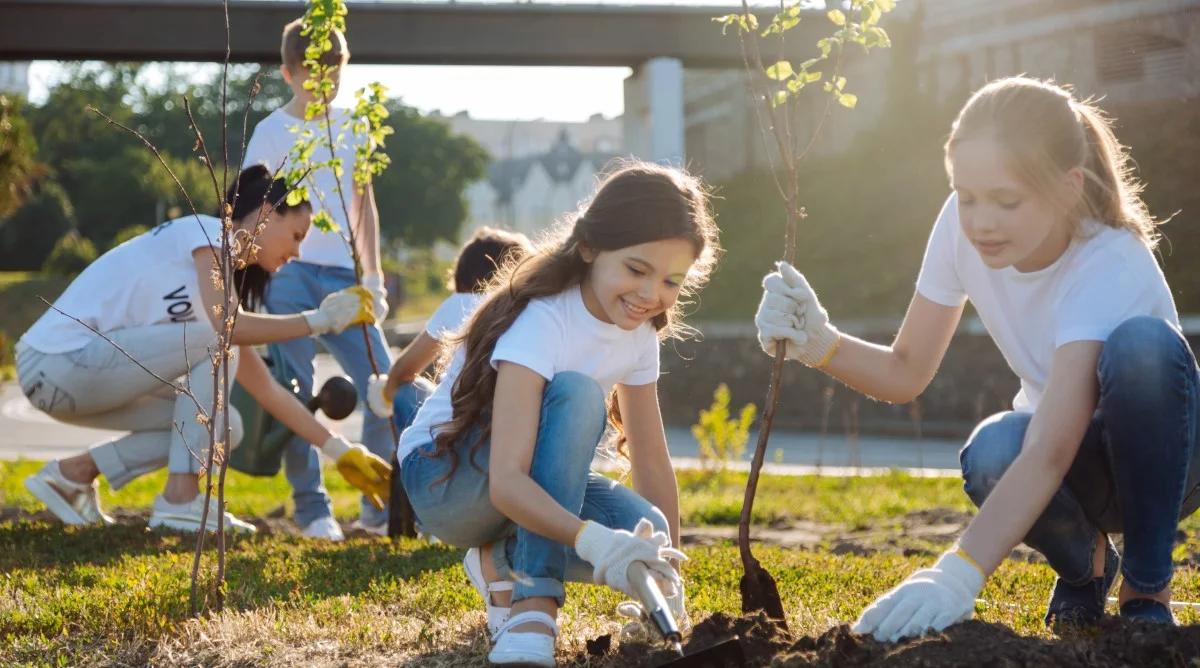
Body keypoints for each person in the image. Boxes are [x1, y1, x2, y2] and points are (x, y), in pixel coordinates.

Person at [755, 76, 1193, 639]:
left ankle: (1147, 586)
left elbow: (1051, 449)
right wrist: (819, 343)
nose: (981, 220)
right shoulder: (960, 229)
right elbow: (906, 371)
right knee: (992, 451)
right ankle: (1087, 568)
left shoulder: (1109, 260)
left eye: (1006, 201)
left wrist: (958, 572)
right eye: (967, 197)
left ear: (1068, 188)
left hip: (1171, 463)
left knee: (1143, 348)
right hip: (1072, 463)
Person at [396, 161, 720, 666]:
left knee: (646, 528)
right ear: (589, 248)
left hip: (521, 481)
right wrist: (595, 542)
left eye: (671, 281)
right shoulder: (543, 318)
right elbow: (507, 482)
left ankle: (499, 558)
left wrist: (665, 577)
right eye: (636, 270)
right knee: (577, 393)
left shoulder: (639, 334)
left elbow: (652, 464)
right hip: (446, 480)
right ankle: (533, 607)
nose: (650, 295)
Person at [19, 166, 391, 534]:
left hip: (78, 381)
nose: (296, 252)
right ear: (266, 213)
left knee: (226, 426)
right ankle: (180, 501)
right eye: (296, 235)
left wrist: (340, 450)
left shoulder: (216, 295)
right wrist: (321, 320)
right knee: (220, 340)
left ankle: (71, 475)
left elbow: (268, 391)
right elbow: (229, 329)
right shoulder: (207, 232)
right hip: (54, 363)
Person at [242, 16, 393, 541]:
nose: (324, 83)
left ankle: (378, 508)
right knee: (297, 391)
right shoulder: (270, 133)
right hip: (288, 274)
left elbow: (364, 205)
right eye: (312, 74)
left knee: (383, 386)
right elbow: (253, 211)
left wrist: (373, 277)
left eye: (334, 72)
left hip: (346, 275)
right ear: (288, 73)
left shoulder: (355, 126)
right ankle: (312, 510)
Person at [364, 227, 532, 448]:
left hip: (460, 441)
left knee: (404, 391)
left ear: (465, 278)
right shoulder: (531, 309)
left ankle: (400, 459)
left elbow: (404, 370)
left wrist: (383, 395)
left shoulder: (462, 303)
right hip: (516, 437)